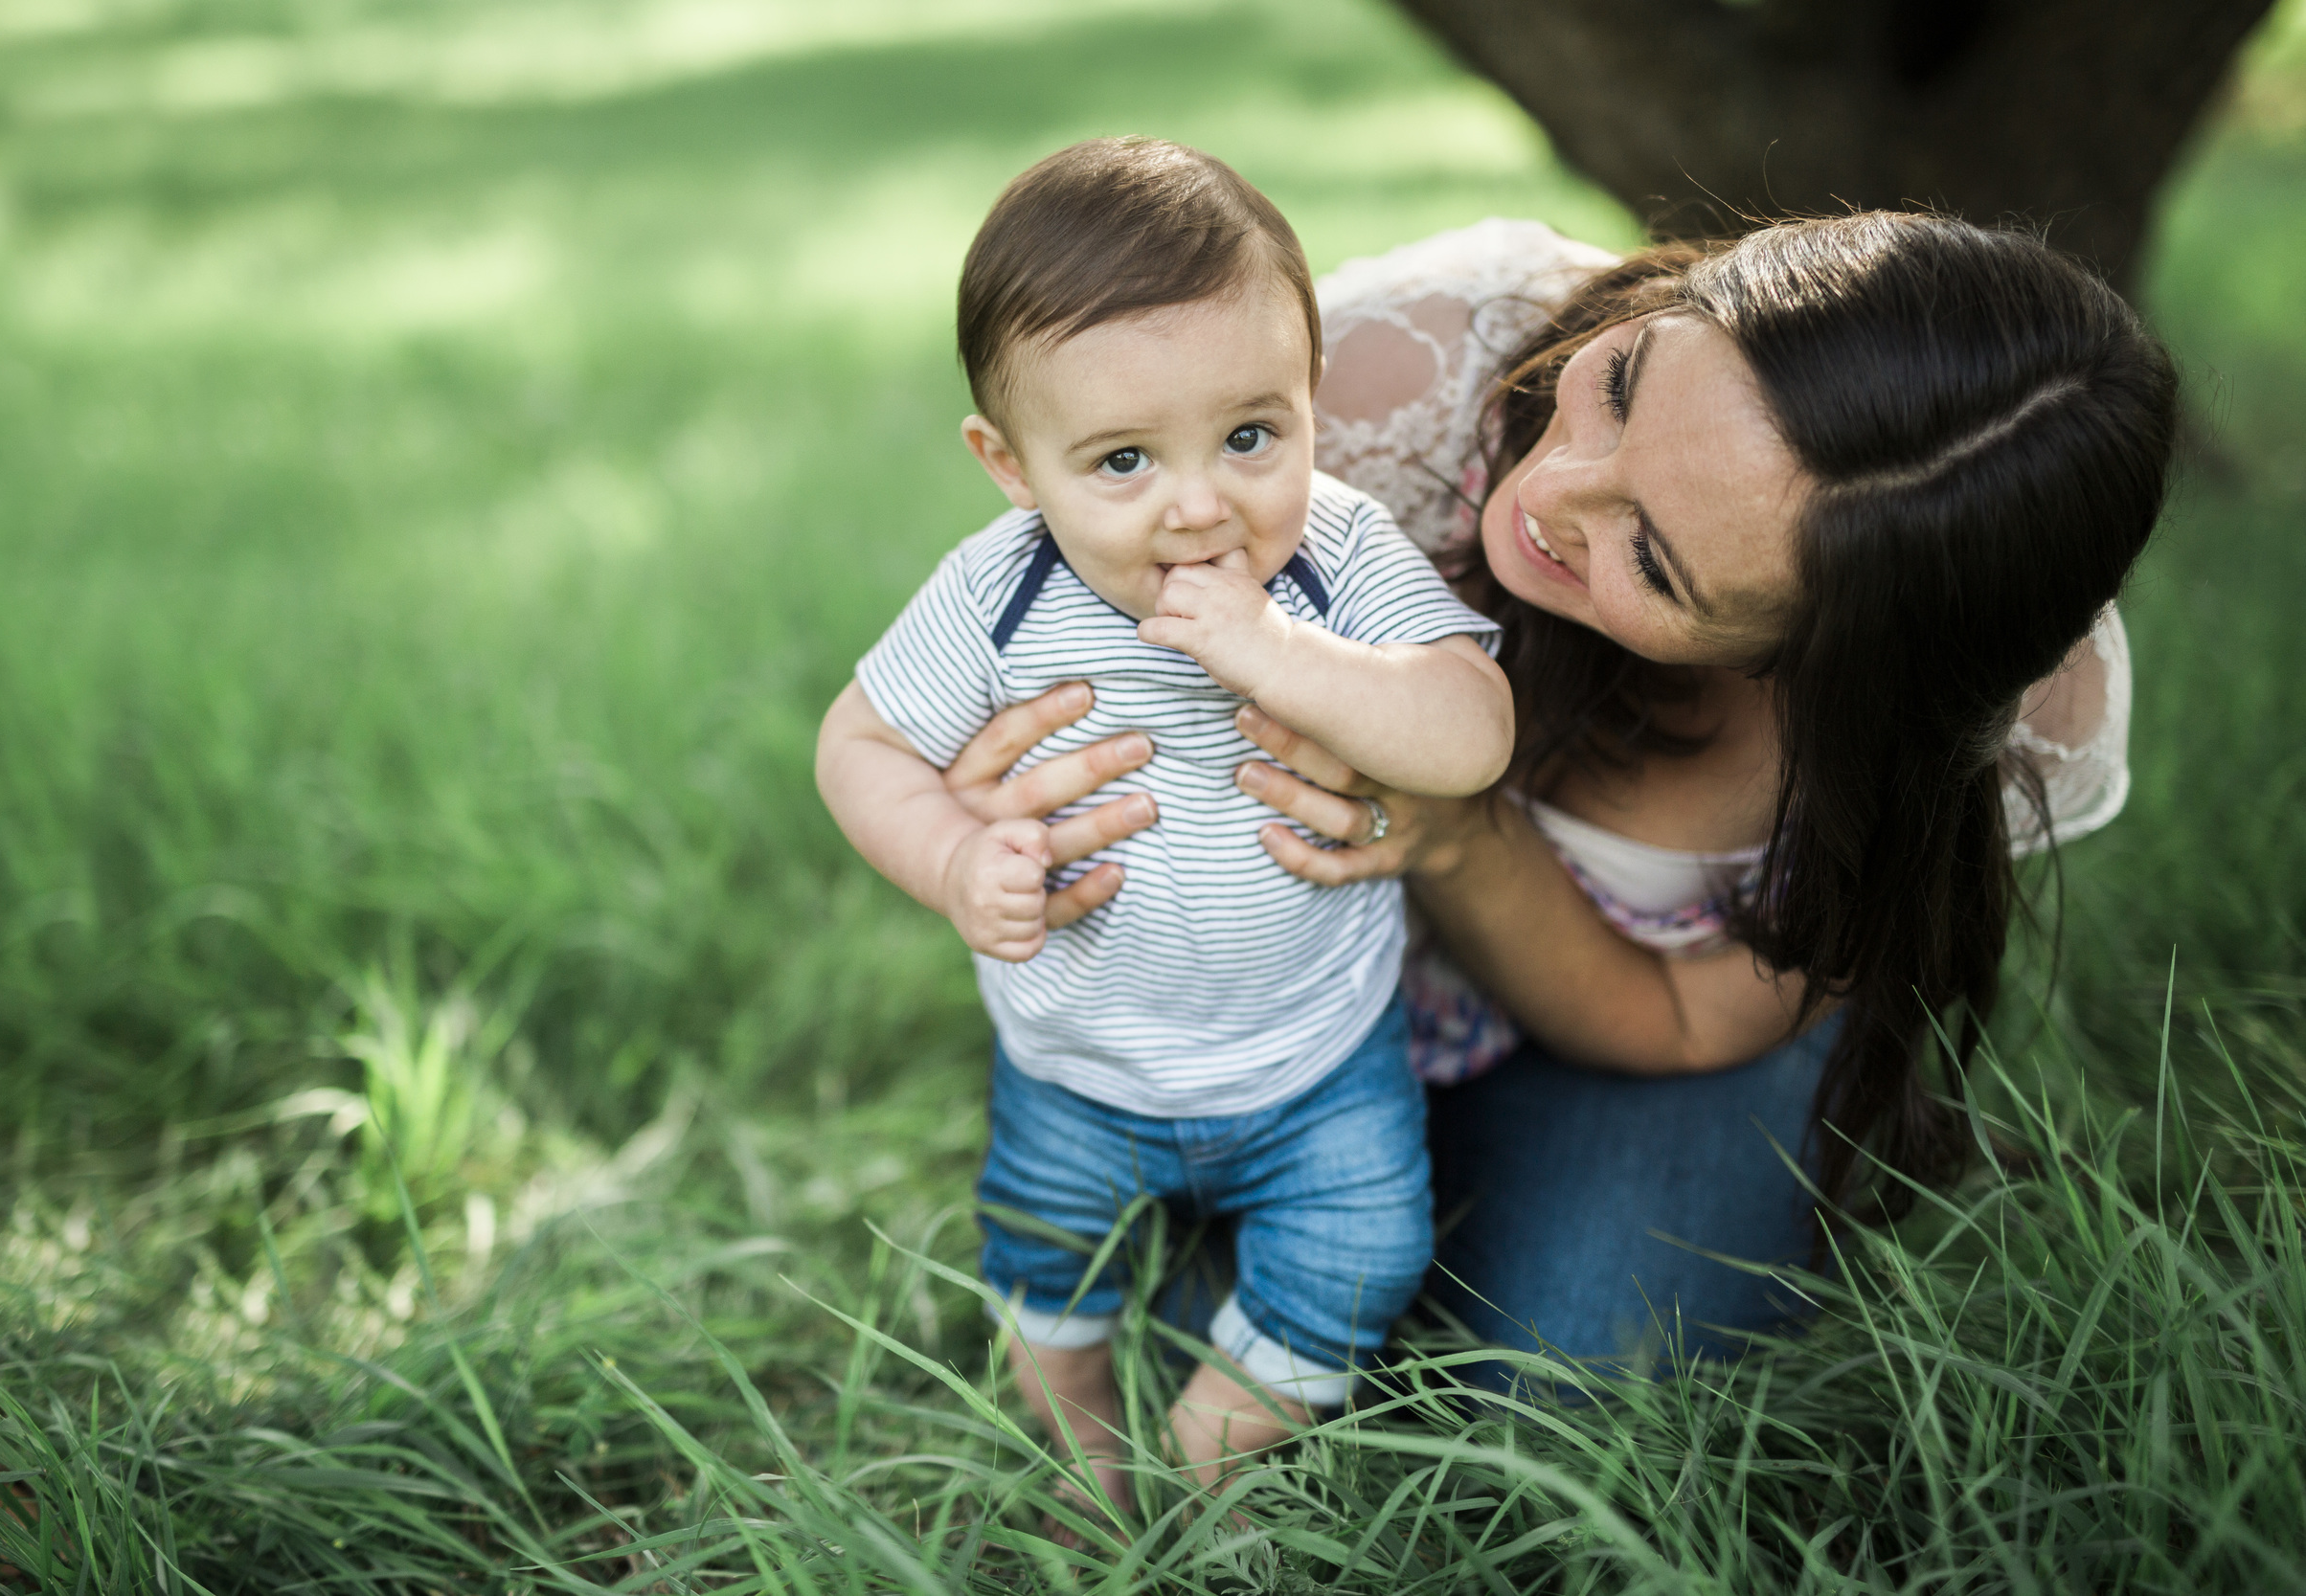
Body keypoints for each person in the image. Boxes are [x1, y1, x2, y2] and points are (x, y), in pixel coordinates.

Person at [925, 211, 2176, 1379]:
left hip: (1600, 1024)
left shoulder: (1960, 715)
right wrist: (993, 792)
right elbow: (1051, 550)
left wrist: (1460, 836)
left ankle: (1358, 1247)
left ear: (1819, 664)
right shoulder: (1385, 379)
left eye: (1656, 559)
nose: (1547, 495)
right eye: (1624, 387)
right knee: (1153, 1304)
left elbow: (1683, 1021)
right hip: (1251, 985)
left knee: (1577, 1357)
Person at [814, 138, 1514, 1504]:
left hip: (1321, 1057)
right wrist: (955, 858)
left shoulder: (1338, 553)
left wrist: (1288, 657)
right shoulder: (997, 595)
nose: (1201, 505)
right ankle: (1083, 1438)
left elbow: (1472, 732)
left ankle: (1202, 1453)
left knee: (1367, 1257)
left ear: (1312, 403)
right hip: (1080, 1064)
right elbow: (859, 746)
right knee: (1043, 1268)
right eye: (1124, 460)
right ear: (1013, 466)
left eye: (1252, 436)